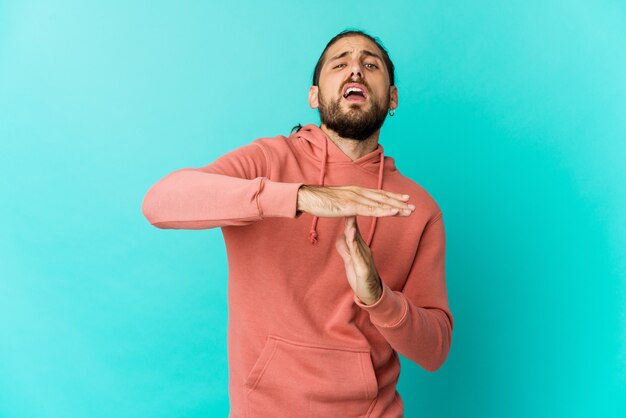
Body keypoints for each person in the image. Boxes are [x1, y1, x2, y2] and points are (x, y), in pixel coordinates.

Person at [142, 29, 453, 418]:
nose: (355, 70)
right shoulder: (267, 162)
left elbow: (435, 349)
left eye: (370, 64)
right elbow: (159, 202)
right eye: (340, 64)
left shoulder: (415, 207)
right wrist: (299, 196)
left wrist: (378, 298)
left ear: (391, 98)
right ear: (313, 95)